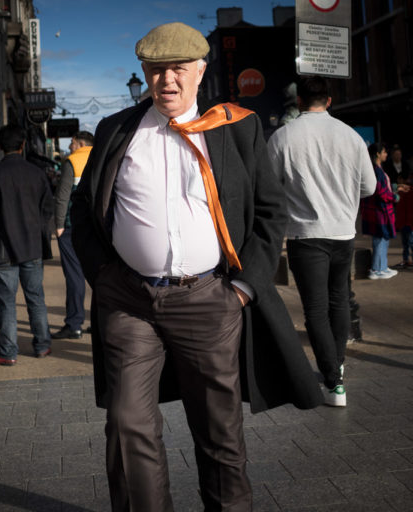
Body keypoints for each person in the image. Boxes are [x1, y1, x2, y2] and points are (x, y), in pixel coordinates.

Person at [69, 22, 323, 511]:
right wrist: (102, 273)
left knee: (219, 432)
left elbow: (271, 213)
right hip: (129, 302)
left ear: (200, 72)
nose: (167, 80)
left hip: (209, 300)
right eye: (157, 70)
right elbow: (82, 208)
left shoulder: (236, 127)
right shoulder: (116, 129)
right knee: (127, 425)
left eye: (179, 70)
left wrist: (245, 288)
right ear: (143, 72)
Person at [267, 76, 376, 407]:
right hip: (343, 232)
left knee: (315, 308)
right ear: (329, 101)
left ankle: (333, 381)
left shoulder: (282, 137)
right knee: (339, 301)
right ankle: (336, 366)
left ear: (299, 101)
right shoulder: (351, 137)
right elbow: (369, 187)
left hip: (305, 233)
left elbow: (269, 188)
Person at [0, 124, 54, 365]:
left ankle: (7, 352)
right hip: (32, 246)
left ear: (0, 146)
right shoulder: (37, 173)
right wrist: (38, 229)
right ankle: (42, 346)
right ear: (22, 146)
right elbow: (47, 208)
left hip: (3, 250)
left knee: (7, 303)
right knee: (36, 298)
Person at [51, 131, 94, 340]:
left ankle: (74, 323)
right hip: (98, 226)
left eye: (73, 143)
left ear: (81, 143)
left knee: (74, 275)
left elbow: (62, 196)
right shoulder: (102, 155)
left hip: (72, 226)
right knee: (100, 276)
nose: (70, 147)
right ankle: (100, 323)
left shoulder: (73, 162)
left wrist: (58, 225)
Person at [361, 143, 408, 279]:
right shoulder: (377, 170)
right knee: (380, 239)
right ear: (377, 154)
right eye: (384, 152)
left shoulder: (376, 169)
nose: (386, 154)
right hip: (380, 211)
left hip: (379, 210)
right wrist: (395, 196)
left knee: (382, 238)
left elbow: (383, 187)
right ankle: (376, 269)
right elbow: (381, 192)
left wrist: (396, 186)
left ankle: (381, 267)